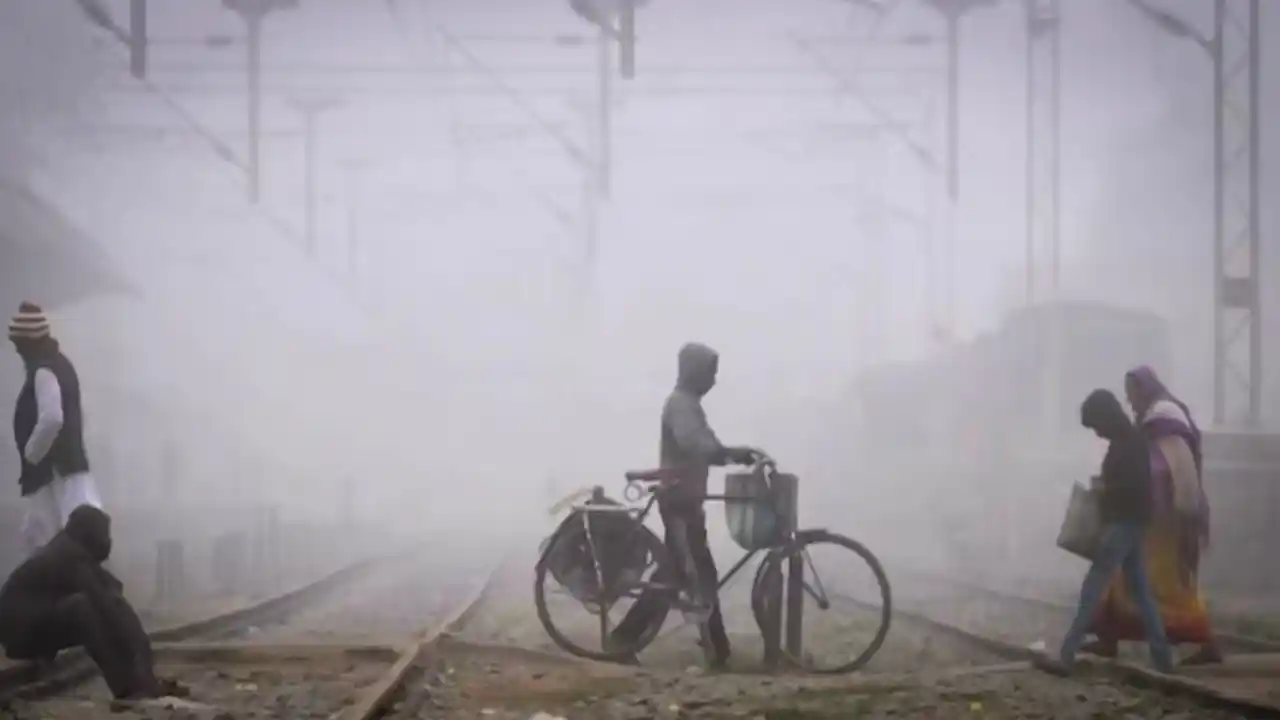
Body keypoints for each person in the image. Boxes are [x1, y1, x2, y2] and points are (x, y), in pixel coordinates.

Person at [607, 342, 755, 669]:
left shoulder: (689, 405)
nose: (713, 380)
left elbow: (708, 444)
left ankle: (628, 639)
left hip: (686, 501)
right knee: (694, 576)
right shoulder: (681, 405)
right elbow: (697, 444)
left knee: (683, 574)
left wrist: (733, 452)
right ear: (692, 371)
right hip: (678, 502)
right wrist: (731, 454)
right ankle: (716, 653)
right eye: (710, 372)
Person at [1082, 366, 1221, 665]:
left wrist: (1186, 509)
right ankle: (1110, 637)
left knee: (1168, 584)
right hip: (1151, 511)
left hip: (1167, 516)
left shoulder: (1163, 417)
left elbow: (1179, 466)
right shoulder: (1150, 419)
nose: (1130, 401)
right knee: (1125, 578)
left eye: (1132, 393)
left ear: (1144, 388)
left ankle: (1204, 642)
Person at [1048, 388, 1174, 674]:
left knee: (1092, 587)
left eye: (1096, 425)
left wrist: (1105, 492)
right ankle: (1162, 658)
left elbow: (1134, 489)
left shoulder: (1127, 444)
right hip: (1133, 523)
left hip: (1124, 524)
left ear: (1106, 417)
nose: (1097, 432)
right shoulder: (1129, 441)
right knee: (1141, 592)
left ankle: (1066, 654)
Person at [0, 506, 171, 700]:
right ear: (85, 532)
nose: (107, 542)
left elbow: (112, 594)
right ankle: (128, 689)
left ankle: (138, 683)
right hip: (18, 637)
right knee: (83, 609)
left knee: (98, 606)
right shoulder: (68, 554)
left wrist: (142, 656)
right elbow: (107, 606)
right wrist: (139, 651)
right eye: (103, 534)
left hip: (29, 628)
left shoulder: (70, 548)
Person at [9, 302, 104, 555]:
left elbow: (52, 418)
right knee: (76, 534)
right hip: (66, 465)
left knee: (56, 541)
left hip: (53, 471)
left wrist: (32, 454)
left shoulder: (43, 371)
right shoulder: (63, 364)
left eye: (18, 343)